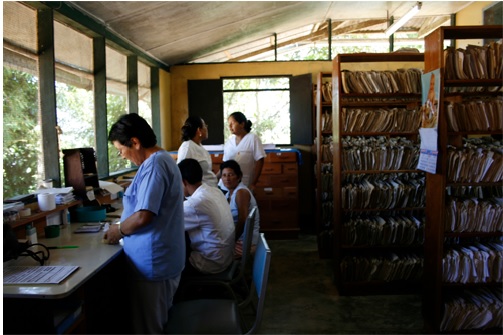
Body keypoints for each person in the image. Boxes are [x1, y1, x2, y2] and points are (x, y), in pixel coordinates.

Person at [105, 113, 185, 334]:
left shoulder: (155, 165)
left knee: (150, 329)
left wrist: (118, 230)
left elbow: (143, 216)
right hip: (160, 259)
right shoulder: (160, 160)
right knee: (155, 324)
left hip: (153, 263)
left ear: (136, 142)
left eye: (122, 150)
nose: (122, 156)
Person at [178, 158, 235, 275]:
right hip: (226, 257)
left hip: (212, 263)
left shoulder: (195, 204)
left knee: (171, 256)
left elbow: (168, 224)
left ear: (183, 182)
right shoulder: (215, 191)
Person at [220, 159, 260, 258]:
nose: (227, 179)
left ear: (239, 176)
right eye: (224, 175)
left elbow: (243, 220)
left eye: (230, 175)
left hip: (244, 243)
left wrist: (231, 241)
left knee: (213, 254)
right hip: (240, 239)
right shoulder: (228, 194)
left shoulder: (241, 192)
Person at [219, 112, 266, 192]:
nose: (230, 126)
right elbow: (224, 165)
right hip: (225, 186)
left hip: (244, 184)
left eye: (232, 123)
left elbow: (260, 161)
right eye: (228, 124)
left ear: (242, 124)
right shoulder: (229, 142)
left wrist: (254, 183)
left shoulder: (253, 138)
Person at [177, 116, 218, 187]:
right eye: (205, 126)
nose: (206, 128)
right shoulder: (187, 147)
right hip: (199, 193)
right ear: (199, 130)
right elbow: (181, 172)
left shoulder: (199, 146)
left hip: (211, 188)